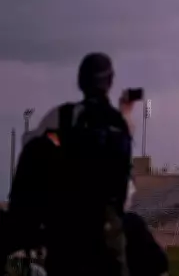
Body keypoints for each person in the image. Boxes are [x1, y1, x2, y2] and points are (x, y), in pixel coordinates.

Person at [9, 52, 135, 276]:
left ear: (80, 81)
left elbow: (30, 147)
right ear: (110, 82)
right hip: (107, 230)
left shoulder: (62, 117)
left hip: (67, 231)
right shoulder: (119, 123)